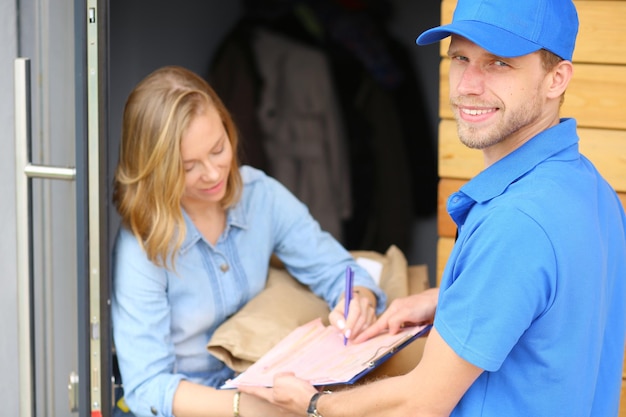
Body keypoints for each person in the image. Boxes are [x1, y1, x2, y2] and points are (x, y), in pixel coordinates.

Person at [239, 0, 626, 415]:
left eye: (499, 63)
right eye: (461, 58)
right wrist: (449, 297)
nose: (467, 85)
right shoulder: (591, 188)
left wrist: (314, 404)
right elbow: (551, 307)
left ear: (556, 79)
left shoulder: (516, 224)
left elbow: (420, 404)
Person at [111, 65, 387, 417]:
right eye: (188, 166)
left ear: (228, 130)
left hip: (260, 380)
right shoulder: (141, 242)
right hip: (186, 403)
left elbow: (338, 270)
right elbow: (147, 388)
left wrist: (357, 300)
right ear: (156, 169)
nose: (213, 173)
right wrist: (247, 406)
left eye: (218, 149)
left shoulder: (261, 196)